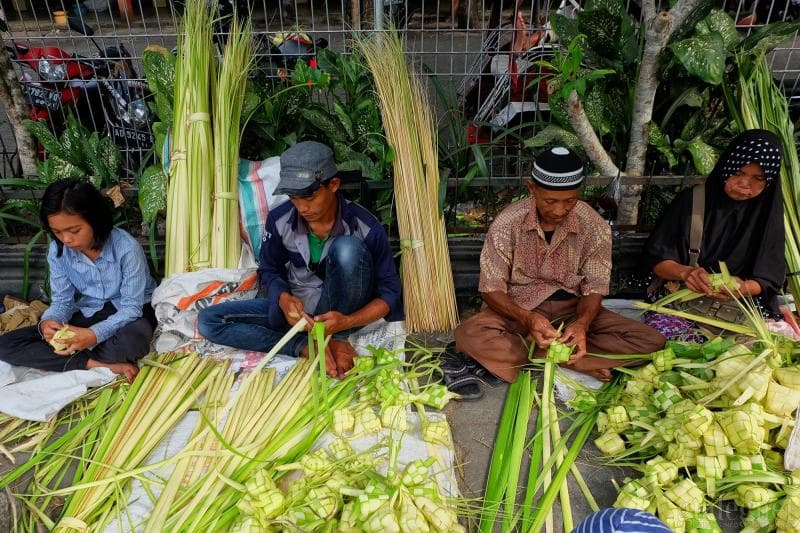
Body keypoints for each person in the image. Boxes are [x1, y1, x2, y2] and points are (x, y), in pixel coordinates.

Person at [449, 146, 666, 385]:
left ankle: (544, 353)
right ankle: (573, 359)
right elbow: (490, 288)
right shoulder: (508, 222)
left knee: (651, 341)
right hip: (522, 308)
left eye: (570, 201)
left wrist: (582, 324)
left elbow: (595, 286)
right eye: (550, 201)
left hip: (573, 308)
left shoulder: (593, 225)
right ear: (531, 189)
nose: (559, 210)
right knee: (469, 334)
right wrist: (528, 319)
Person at [198, 141, 403, 378]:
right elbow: (269, 269)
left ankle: (334, 337)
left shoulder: (365, 227)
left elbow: (389, 293)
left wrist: (346, 321)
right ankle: (306, 346)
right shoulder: (280, 220)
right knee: (208, 320)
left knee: (348, 250)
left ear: (333, 185)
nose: (302, 207)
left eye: (310, 196)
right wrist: (284, 299)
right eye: (294, 198)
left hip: (341, 315)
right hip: (301, 314)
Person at [0, 179, 157, 381]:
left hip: (130, 313)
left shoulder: (126, 248)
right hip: (92, 310)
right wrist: (50, 322)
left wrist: (93, 334)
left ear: (95, 220)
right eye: (57, 232)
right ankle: (95, 364)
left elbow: (131, 309)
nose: (66, 239)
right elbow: (62, 301)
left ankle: (69, 359)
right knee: (6, 344)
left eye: (74, 231)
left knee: (134, 339)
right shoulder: (58, 250)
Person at [642, 129, 785, 338]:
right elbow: (657, 259)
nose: (745, 185)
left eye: (758, 178)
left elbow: (768, 279)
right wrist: (686, 273)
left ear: (769, 180)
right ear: (727, 167)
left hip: (739, 308)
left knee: (751, 354)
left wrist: (743, 287)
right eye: (738, 173)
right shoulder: (692, 202)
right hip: (682, 301)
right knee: (669, 342)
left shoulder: (767, 214)